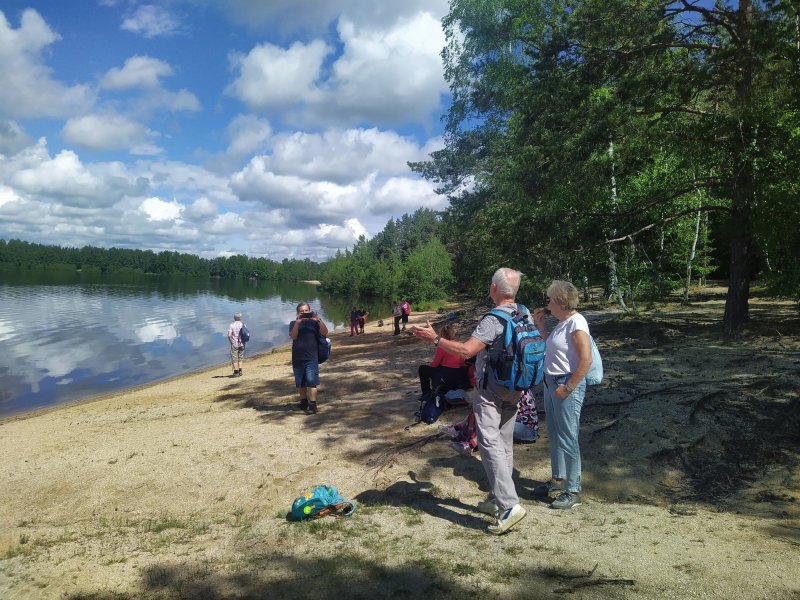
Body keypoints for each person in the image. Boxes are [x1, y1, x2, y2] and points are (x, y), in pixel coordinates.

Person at [412, 267, 527, 535]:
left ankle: (509, 505)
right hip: (517, 386)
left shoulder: (494, 318)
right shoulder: (524, 312)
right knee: (504, 442)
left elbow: (465, 352)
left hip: (493, 389)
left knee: (488, 442)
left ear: (494, 289)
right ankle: (498, 497)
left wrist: (436, 339)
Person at [532, 280, 593, 510]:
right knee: (556, 434)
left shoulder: (577, 322)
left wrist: (567, 387)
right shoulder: (563, 322)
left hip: (565, 384)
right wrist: (540, 326)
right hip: (551, 383)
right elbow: (553, 347)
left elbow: (585, 360)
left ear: (559, 301)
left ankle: (574, 489)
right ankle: (558, 481)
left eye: (549, 299)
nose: (547, 303)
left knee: (568, 436)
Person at [289, 302, 329, 415]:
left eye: (306, 311)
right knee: (300, 382)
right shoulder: (293, 323)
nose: (304, 313)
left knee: (312, 381)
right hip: (297, 357)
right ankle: (303, 402)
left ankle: (313, 405)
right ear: (297, 313)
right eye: (301, 311)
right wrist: (297, 323)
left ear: (310, 311)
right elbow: (293, 336)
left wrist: (318, 320)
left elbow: (325, 333)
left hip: (312, 357)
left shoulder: (315, 323)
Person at [417, 324, 469, 394]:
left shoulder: (442, 346)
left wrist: (430, 365)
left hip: (448, 375)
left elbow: (435, 364)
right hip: (460, 375)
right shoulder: (459, 344)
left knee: (423, 369)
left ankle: (426, 393)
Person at [227, 312, 246, 377]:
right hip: (242, 343)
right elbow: (246, 333)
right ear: (240, 318)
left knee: (235, 358)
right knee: (240, 357)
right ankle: (240, 371)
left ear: (234, 318)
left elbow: (229, 335)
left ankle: (236, 372)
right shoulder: (243, 324)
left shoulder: (231, 325)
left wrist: (231, 342)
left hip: (234, 344)